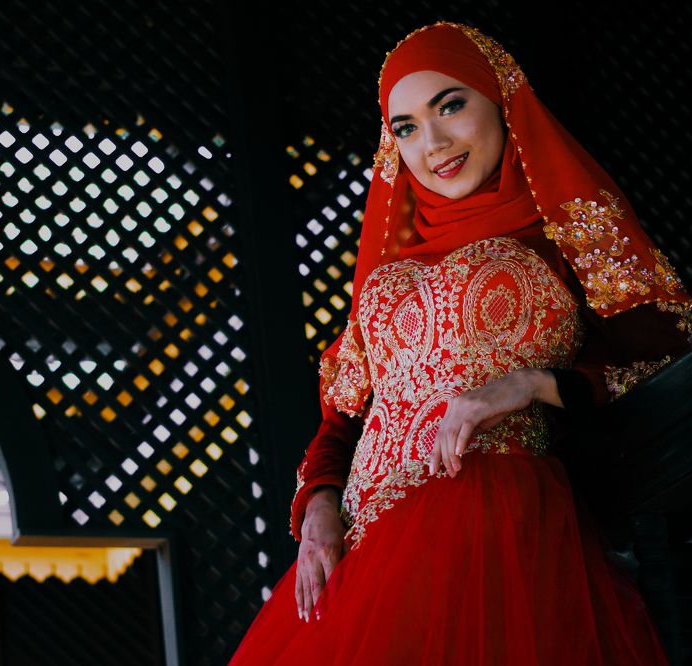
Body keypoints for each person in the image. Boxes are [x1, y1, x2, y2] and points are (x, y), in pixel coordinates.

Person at [229, 22, 691, 665]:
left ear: (500, 99)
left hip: (492, 525)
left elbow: (664, 362)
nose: (434, 143)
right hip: (363, 552)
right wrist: (318, 508)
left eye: (450, 106)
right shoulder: (391, 264)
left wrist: (531, 386)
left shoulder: (569, 237)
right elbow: (343, 416)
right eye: (406, 127)